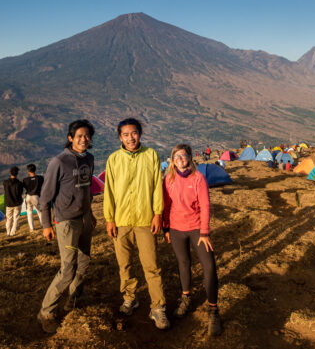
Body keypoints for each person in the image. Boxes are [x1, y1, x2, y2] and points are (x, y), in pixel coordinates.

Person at [104, 118, 169, 330]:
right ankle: (130, 298)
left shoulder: (151, 155)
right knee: (125, 265)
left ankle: (158, 307)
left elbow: (157, 187)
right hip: (121, 222)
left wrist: (157, 213)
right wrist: (110, 218)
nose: (130, 138)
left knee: (151, 266)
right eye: (125, 134)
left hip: (144, 220)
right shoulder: (113, 159)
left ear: (139, 134)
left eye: (134, 133)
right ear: (119, 137)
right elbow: (109, 192)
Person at [36, 120, 97, 333]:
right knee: (67, 268)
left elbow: (86, 189)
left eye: (87, 135)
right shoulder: (59, 162)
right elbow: (45, 197)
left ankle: (74, 300)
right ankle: (46, 311)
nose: (84, 139)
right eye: (79, 136)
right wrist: (46, 225)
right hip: (67, 222)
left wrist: (90, 213)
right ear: (70, 138)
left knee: (83, 262)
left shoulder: (89, 158)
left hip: (84, 219)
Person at [162, 144, 222, 336]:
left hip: (197, 229)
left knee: (209, 265)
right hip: (176, 228)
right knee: (183, 263)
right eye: (176, 156)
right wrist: (165, 227)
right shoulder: (169, 179)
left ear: (189, 157)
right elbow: (165, 205)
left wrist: (204, 232)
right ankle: (185, 297)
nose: (180, 159)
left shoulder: (198, 178)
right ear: (172, 160)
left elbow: (205, 205)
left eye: (183, 155)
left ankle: (213, 309)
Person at [23, 164, 46, 232]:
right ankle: (42, 225)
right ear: (35, 169)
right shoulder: (40, 178)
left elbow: (25, 187)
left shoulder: (25, 179)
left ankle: (32, 228)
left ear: (28, 171)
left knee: (29, 212)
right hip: (36, 196)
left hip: (28, 197)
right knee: (39, 212)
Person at [3, 166, 24, 236]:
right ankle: (13, 232)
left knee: (9, 219)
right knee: (16, 218)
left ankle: (8, 232)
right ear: (17, 174)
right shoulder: (20, 183)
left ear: (10, 173)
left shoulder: (5, 182)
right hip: (17, 203)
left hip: (9, 203)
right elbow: (20, 193)